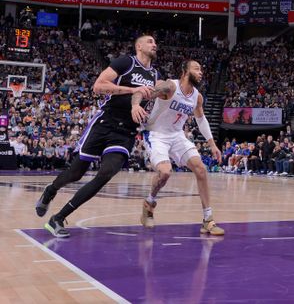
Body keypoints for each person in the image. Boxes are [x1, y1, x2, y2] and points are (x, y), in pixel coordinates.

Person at [35, 35, 159, 238]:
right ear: (138, 46)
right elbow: (98, 86)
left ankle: (57, 218)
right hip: (105, 123)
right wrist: (132, 90)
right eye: (149, 41)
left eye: (155, 42)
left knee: (106, 174)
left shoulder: (155, 75)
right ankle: (51, 190)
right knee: (76, 173)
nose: (154, 45)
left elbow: (149, 100)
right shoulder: (126, 62)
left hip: (126, 131)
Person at [140, 60, 225, 235]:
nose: (201, 72)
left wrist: (212, 144)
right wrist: (138, 103)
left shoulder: (197, 97)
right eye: (197, 68)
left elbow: (201, 120)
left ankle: (208, 219)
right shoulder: (170, 86)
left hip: (177, 135)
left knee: (201, 169)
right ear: (185, 72)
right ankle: (149, 203)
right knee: (164, 173)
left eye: (201, 69)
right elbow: (146, 95)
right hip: (156, 135)